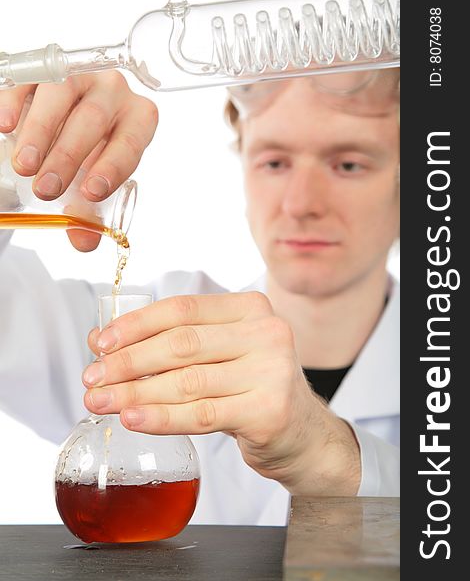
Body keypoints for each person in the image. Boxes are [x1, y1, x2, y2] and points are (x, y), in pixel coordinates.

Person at [0, 68, 399, 525]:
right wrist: (11, 155)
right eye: (275, 162)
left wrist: (330, 455)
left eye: (348, 164)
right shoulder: (135, 336)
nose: (301, 203)